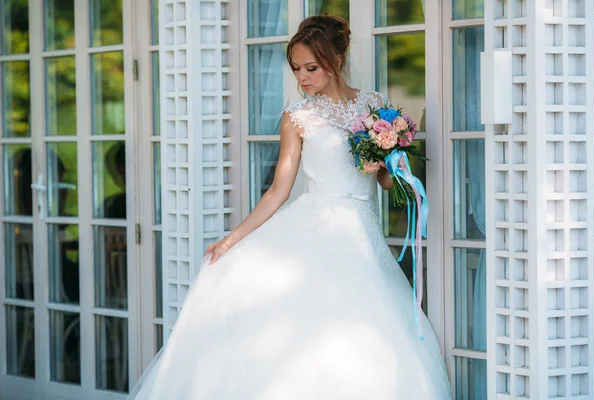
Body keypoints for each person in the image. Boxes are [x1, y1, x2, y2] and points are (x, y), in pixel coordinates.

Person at [127, 15, 452, 399]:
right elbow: (277, 192)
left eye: (311, 68)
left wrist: (392, 166)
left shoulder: (374, 106)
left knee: (364, 337)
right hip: (314, 228)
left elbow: (381, 181)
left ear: (336, 59)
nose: (303, 78)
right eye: (297, 69)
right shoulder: (297, 118)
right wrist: (230, 241)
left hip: (362, 235)